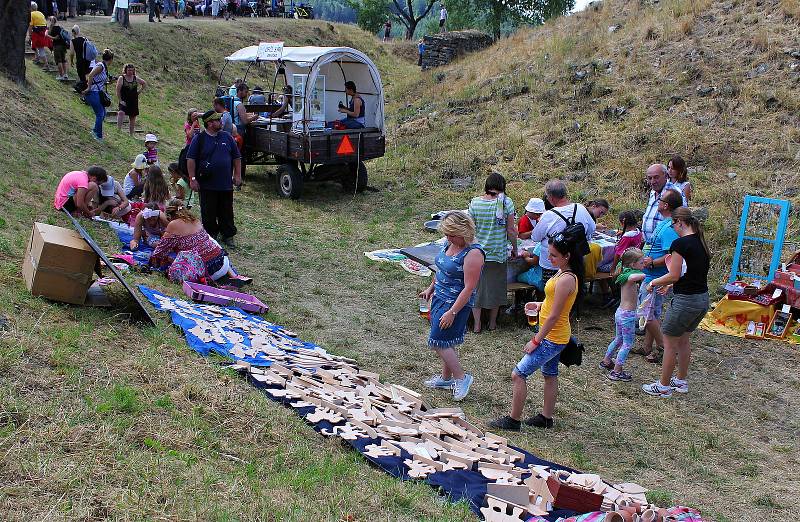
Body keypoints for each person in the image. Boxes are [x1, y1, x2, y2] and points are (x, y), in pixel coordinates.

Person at [488, 234, 584, 431]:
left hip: (552, 337)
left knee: (518, 374)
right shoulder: (561, 272)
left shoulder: (567, 278)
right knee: (549, 373)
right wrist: (539, 304)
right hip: (555, 335)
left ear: (567, 256)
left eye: (554, 255)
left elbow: (555, 315)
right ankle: (546, 418)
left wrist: (536, 340)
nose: (549, 258)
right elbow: (556, 303)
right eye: (549, 253)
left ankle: (513, 421)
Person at [642, 207, 710, 397]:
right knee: (684, 341)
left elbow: (673, 274)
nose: (673, 228)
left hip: (685, 302)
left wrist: (654, 282)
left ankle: (663, 386)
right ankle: (680, 381)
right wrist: (671, 285)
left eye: (673, 224)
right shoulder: (701, 242)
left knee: (670, 343)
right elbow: (689, 273)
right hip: (702, 300)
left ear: (679, 222)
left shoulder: (680, 244)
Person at [419, 212, 485, 401]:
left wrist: (452, 312)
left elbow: (469, 287)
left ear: (464, 231)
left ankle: (461, 378)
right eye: (446, 234)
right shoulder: (451, 243)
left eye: (451, 234)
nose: (447, 238)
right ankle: (446, 379)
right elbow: (441, 268)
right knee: (447, 340)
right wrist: (431, 288)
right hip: (440, 298)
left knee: (437, 341)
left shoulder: (473, 253)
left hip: (456, 304)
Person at [634, 189, 682, 364]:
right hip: (651, 275)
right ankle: (647, 347)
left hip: (656, 277)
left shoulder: (670, 228)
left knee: (646, 312)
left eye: (660, 200)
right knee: (651, 312)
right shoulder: (664, 222)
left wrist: (652, 262)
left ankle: (664, 347)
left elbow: (672, 255)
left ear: (666, 205)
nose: (658, 202)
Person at [469, 173, 517, 332]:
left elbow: (470, 229)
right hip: (497, 253)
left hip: (477, 254)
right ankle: (492, 323)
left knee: (476, 288)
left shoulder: (475, 203)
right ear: (503, 186)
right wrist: (515, 249)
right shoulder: (506, 202)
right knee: (496, 288)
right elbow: (511, 230)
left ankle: (476, 325)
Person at [187, 110, 242, 246]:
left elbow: (236, 157)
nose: (221, 122)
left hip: (225, 184)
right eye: (218, 120)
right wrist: (192, 178)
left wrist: (237, 175)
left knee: (227, 211)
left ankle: (228, 235)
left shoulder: (227, 137)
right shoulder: (199, 139)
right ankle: (211, 235)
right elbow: (191, 159)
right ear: (210, 123)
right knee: (208, 212)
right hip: (207, 184)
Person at [150, 199, 239, 282]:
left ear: (170, 215)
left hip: (209, 271)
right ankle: (231, 274)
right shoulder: (195, 220)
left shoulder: (173, 224)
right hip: (222, 263)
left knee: (175, 266)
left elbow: (159, 253)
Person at [531, 179, 596, 287]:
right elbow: (591, 229)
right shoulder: (580, 208)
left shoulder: (548, 215)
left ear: (551, 198)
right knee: (575, 290)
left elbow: (535, 237)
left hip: (553, 264)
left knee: (552, 292)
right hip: (576, 259)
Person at [599, 248, 646, 382]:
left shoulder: (625, 272)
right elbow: (638, 276)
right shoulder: (629, 277)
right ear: (632, 265)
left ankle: (607, 361)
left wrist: (642, 267)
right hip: (627, 315)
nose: (643, 265)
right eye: (641, 263)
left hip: (620, 313)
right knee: (627, 343)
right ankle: (617, 371)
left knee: (618, 339)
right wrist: (649, 273)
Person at [642, 163, 685, 242]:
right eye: (649, 178)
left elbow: (682, 218)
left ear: (665, 176)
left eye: (656, 177)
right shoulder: (653, 191)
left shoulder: (674, 192)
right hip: (650, 245)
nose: (652, 181)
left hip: (665, 245)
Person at [82, 48, 114, 141]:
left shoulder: (104, 67)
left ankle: (95, 131)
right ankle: (97, 135)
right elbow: (91, 75)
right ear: (111, 59)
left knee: (103, 113)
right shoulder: (100, 66)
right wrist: (88, 88)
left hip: (98, 92)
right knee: (100, 114)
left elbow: (100, 81)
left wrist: (110, 82)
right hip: (93, 92)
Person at [115, 64, 146, 136]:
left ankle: (131, 134)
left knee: (133, 117)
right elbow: (118, 90)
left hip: (133, 100)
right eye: (129, 70)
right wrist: (120, 100)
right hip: (124, 99)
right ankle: (118, 130)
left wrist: (139, 91)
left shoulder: (135, 78)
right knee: (121, 113)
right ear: (125, 70)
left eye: (132, 70)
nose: (130, 72)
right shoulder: (121, 78)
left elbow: (144, 83)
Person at [29, 3, 52, 70]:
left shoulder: (31, 14)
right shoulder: (40, 13)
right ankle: (37, 58)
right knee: (33, 45)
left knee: (40, 48)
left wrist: (30, 34)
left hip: (38, 33)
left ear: (31, 8)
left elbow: (30, 26)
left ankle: (46, 64)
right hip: (43, 32)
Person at [48, 16, 69, 80]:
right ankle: (65, 74)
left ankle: (61, 75)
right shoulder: (60, 27)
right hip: (63, 46)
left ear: (51, 21)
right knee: (63, 60)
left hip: (57, 46)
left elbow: (55, 38)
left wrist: (47, 36)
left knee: (58, 61)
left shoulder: (53, 29)